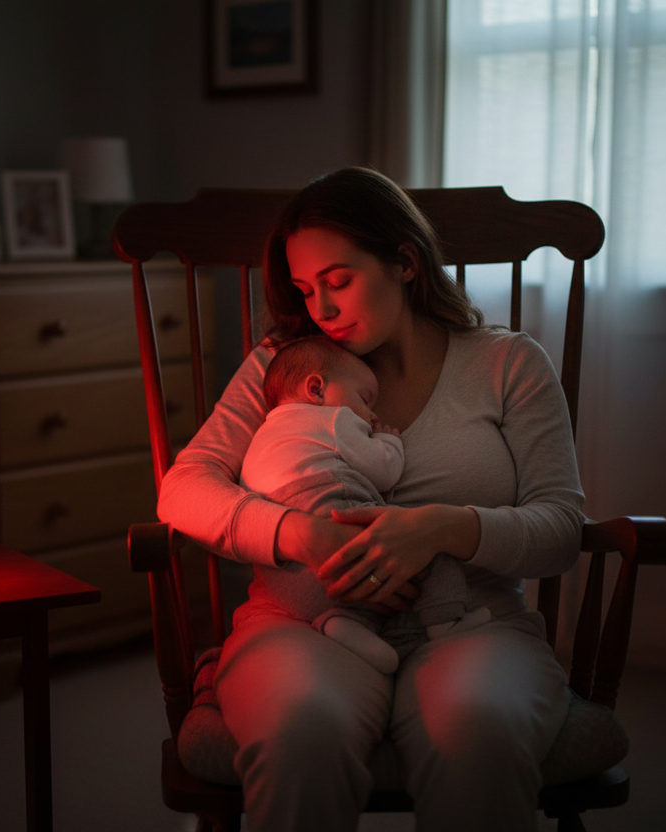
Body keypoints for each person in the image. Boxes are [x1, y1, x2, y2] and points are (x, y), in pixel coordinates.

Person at [157, 167, 584, 832]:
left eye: (339, 280)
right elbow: (183, 487)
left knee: (478, 732)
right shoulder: (292, 366)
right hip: (305, 621)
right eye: (306, 290)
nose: (321, 310)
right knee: (303, 732)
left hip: (471, 621)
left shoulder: (508, 364)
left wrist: (444, 528)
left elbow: (560, 526)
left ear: (405, 262)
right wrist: (303, 535)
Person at [239, 334, 491, 674]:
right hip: (329, 508)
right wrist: (388, 440)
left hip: (287, 582)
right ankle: (447, 620)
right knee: (424, 539)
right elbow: (384, 471)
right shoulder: (334, 419)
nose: (371, 413)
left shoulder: (260, 437)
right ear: (316, 389)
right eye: (364, 398)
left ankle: (341, 622)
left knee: (356, 594)